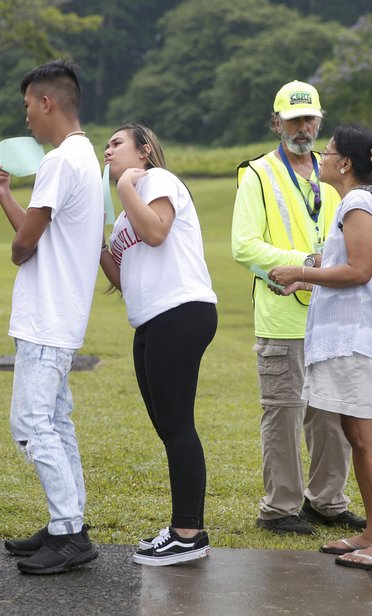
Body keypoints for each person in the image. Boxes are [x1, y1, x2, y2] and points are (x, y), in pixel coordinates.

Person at [268, 123, 372, 571]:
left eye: (328, 152)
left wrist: (300, 273)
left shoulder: (357, 202)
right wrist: (308, 272)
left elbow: (359, 270)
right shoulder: (355, 203)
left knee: (368, 438)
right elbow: (347, 264)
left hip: (355, 338)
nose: (322, 158)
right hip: (344, 338)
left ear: (345, 163)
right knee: (355, 435)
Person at [0, 59, 103, 575]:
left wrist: (15, 226)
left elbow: (23, 245)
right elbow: (37, 234)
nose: (26, 116)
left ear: (47, 102)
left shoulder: (58, 161)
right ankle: (67, 524)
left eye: (28, 105)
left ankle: (70, 533)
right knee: (55, 420)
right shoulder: (84, 156)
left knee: (31, 424)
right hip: (63, 313)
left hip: (46, 316)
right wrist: (6, 194)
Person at [231, 80, 365, 535]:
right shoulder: (257, 175)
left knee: (330, 413)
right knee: (284, 415)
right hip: (281, 315)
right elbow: (244, 246)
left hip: (329, 315)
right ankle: (280, 508)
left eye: (310, 120)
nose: (302, 128)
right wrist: (304, 264)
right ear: (276, 123)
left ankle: (327, 502)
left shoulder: (332, 180)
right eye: (293, 120)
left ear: (319, 122)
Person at [99, 123, 218, 566]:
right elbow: (122, 277)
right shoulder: (125, 209)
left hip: (182, 311)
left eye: (116, 144)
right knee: (168, 426)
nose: (107, 152)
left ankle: (189, 534)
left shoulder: (156, 181)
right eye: (106, 147)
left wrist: (127, 184)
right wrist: (99, 243)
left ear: (144, 151)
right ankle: (184, 527)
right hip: (149, 320)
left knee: (178, 425)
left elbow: (156, 232)